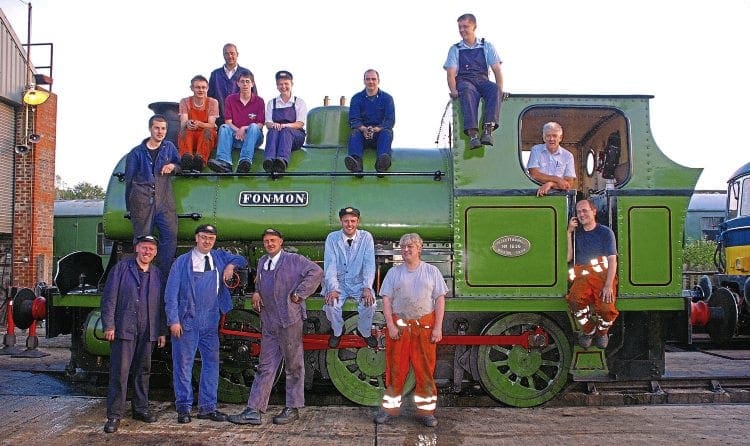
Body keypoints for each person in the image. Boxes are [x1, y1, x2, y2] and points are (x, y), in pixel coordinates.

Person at [228, 228, 323, 426]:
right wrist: (256, 292)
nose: (270, 244)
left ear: (281, 242)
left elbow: (316, 272)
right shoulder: (263, 262)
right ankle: (253, 410)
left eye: (273, 240)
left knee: (293, 365)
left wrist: (300, 294)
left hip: (289, 320)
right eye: (266, 241)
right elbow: (262, 283)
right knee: (265, 366)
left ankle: (293, 408)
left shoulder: (293, 260)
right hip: (270, 321)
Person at [165, 224, 248, 424]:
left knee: (211, 364)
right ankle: (183, 408)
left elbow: (242, 259)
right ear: (196, 238)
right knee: (183, 365)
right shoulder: (182, 262)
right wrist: (173, 320)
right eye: (203, 237)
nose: (207, 241)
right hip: (187, 321)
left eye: (210, 238)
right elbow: (170, 294)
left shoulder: (218, 257)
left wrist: (230, 266)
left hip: (210, 320)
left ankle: (207, 408)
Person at [374, 233, 447, 428]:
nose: (406, 250)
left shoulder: (432, 272)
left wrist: (438, 327)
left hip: (424, 327)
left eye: (410, 247)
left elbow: (440, 300)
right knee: (395, 370)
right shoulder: (394, 273)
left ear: (419, 249)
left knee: (425, 371)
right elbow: (386, 300)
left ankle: (426, 412)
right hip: (400, 328)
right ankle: (389, 410)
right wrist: (390, 325)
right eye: (403, 247)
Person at [101, 235, 167, 434]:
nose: (147, 252)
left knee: (143, 372)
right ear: (137, 248)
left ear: (155, 253)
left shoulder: (157, 274)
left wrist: (161, 332)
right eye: (144, 248)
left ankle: (140, 408)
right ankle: (114, 415)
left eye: (151, 249)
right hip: (124, 329)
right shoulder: (121, 269)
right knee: (120, 373)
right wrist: (109, 325)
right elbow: (109, 298)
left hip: (148, 331)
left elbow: (161, 306)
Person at [124, 114, 180, 280]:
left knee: (170, 238)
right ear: (150, 129)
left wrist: (173, 166)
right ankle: (139, 277)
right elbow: (129, 180)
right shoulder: (136, 153)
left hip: (164, 200)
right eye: (157, 128)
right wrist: (131, 206)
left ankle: (163, 277)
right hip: (142, 201)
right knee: (142, 240)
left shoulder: (169, 148)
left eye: (163, 128)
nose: (160, 131)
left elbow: (180, 165)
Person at [443, 13, 505, 150]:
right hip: (465, 80)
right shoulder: (455, 49)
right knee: (467, 91)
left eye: (465, 26)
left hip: (482, 79)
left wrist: (500, 89)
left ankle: (488, 129)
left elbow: (497, 70)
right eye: (460, 27)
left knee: (494, 89)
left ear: (474, 26)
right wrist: (453, 90)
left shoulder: (486, 46)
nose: (462, 30)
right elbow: (451, 73)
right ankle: (473, 134)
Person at [566, 199, 619, 349]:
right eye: (579, 212)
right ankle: (589, 329)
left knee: (606, 309)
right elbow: (569, 257)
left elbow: (612, 260)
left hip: (603, 277)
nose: (582, 214)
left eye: (585, 210)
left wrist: (608, 285)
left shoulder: (606, 233)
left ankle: (603, 332)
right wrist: (569, 232)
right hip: (583, 277)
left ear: (594, 211)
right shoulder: (576, 233)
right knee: (574, 301)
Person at [323, 207, 377, 349]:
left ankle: (364, 332)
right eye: (346, 221)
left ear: (358, 221)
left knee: (370, 304)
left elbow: (369, 264)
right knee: (331, 304)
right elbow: (330, 265)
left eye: (353, 221)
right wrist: (333, 288)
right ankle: (337, 331)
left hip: (359, 283)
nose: (349, 224)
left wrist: (367, 287)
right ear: (341, 221)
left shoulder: (366, 237)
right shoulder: (332, 238)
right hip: (339, 283)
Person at [207, 70, 265, 174]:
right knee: (224, 127)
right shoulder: (230, 99)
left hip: (252, 138)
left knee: (253, 126)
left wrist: (243, 128)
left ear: (252, 84)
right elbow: (228, 121)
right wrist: (239, 131)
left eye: (248, 81)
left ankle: (245, 161)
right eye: (242, 81)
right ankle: (224, 162)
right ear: (237, 83)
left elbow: (260, 125)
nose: (245, 84)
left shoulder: (259, 101)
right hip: (236, 136)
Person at [344, 69, 395, 174]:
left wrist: (377, 129)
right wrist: (363, 129)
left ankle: (382, 162)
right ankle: (356, 163)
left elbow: (390, 120)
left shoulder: (387, 98)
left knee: (387, 133)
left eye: (373, 79)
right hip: (363, 133)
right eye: (368, 79)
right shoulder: (356, 98)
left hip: (379, 133)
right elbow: (353, 119)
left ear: (378, 81)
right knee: (354, 133)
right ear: (364, 81)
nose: (371, 82)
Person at [262, 71, 307, 174]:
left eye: (286, 83)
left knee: (286, 131)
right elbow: (268, 123)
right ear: (277, 86)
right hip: (277, 134)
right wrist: (274, 125)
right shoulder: (271, 103)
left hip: (296, 135)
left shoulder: (299, 102)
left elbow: (300, 123)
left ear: (292, 84)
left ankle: (282, 161)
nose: (283, 86)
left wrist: (285, 125)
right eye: (280, 84)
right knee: (272, 131)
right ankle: (269, 160)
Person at [178, 74, 219, 172]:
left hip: (205, 134)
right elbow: (183, 123)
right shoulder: (184, 102)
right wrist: (188, 123)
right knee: (184, 132)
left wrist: (199, 123)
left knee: (208, 131)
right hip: (191, 133)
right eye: (197, 87)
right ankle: (186, 159)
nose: (201, 90)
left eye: (203, 87)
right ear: (192, 88)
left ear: (207, 88)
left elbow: (212, 124)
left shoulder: (213, 102)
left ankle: (200, 160)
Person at [527, 122, 576, 197]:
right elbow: (534, 174)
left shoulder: (568, 156)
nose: (551, 139)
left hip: (559, 196)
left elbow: (568, 184)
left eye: (554, 136)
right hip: (536, 194)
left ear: (560, 138)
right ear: (543, 138)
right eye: (548, 136)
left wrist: (550, 184)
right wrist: (558, 180)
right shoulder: (536, 150)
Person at [208, 43, 249, 126]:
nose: (230, 56)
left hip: (242, 120)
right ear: (223, 55)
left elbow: (253, 97)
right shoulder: (215, 74)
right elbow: (209, 98)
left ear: (237, 54)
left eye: (232, 53)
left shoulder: (246, 73)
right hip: (220, 120)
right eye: (226, 53)